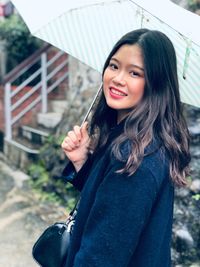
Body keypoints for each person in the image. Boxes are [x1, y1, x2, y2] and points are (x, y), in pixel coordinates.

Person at [61, 29, 190, 267]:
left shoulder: (135, 157)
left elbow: (99, 258)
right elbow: (113, 207)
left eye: (134, 73)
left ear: (156, 83)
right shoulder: (137, 140)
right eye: (114, 66)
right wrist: (82, 164)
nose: (118, 78)